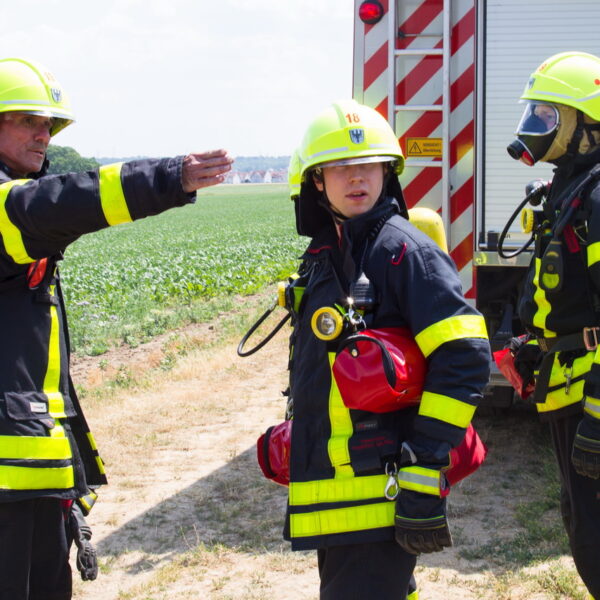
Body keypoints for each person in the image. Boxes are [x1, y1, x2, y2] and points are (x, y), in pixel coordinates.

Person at [0, 57, 232, 600]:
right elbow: (64, 202)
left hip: (28, 468)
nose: (44, 133)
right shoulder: (12, 208)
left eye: (51, 125)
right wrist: (166, 178)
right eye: (28, 120)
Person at [281, 99, 491, 599]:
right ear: (316, 180)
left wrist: (424, 464)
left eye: (368, 166)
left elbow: (464, 356)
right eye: (341, 168)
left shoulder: (403, 250)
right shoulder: (325, 256)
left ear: (386, 172)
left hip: (383, 486)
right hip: (339, 489)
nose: (357, 179)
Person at [506, 51, 600, 599]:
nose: (534, 128)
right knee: (583, 528)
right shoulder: (572, 190)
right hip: (570, 385)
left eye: (547, 116)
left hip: (591, 396)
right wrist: (534, 343)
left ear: (586, 127)